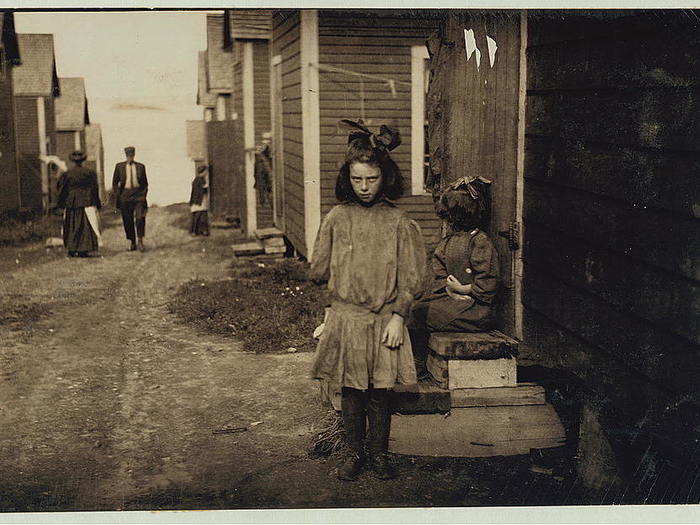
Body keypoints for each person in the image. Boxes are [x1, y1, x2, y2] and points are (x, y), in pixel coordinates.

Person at [310, 119, 427, 481]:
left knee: (379, 392)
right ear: (347, 178)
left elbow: (412, 278)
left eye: (371, 179)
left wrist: (398, 316)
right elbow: (318, 270)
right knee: (350, 392)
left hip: (383, 322)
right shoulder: (336, 218)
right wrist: (331, 309)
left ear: (385, 177)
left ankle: (379, 455)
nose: (364, 187)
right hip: (347, 319)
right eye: (357, 179)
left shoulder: (398, 222)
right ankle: (353, 454)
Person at [408, 176, 500, 377]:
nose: (449, 222)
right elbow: (439, 272)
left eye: (452, 217)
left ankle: (419, 367)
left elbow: (488, 285)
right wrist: (449, 289)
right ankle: (416, 363)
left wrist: (462, 289)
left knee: (417, 315)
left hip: (477, 310)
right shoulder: (450, 240)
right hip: (455, 301)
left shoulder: (480, 241)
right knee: (412, 307)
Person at [55, 151, 102, 257]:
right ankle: (83, 249)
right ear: (83, 160)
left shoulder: (67, 174)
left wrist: (60, 204)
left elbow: (62, 189)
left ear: (73, 161)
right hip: (86, 201)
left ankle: (72, 249)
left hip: (72, 203)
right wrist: (97, 203)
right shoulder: (90, 173)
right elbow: (95, 189)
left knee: (71, 225)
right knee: (85, 225)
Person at [112, 146, 148, 252]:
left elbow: (145, 183)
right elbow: (115, 182)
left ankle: (140, 241)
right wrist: (118, 194)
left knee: (140, 218)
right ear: (125, 155)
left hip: (138, 196)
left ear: (134, 155)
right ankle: (132, 242)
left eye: (131, 156)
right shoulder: (119, 166)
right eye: (128, 156)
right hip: (125, 196)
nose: (130, 158)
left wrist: (143, 195)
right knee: (127, 220)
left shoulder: (141, 167)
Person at [189, 165, 210, 236]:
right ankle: (194, 232)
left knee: (202, 216)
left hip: (200, 200)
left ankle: (201, 231)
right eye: (205, 171)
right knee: (197, 216)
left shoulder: (200, 179)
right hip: (198, 201)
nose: (206, 173)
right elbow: (199, 192)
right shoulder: (198, 180)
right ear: (203, 172)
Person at [253, 132, 272, 207]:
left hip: (266, 171)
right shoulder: (261, 150)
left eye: (267, 139)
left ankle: (265, 200)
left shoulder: (268, 148)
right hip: (263, 172)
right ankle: (263, 201)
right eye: (264, 139)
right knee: (263, 186)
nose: (266, 141)